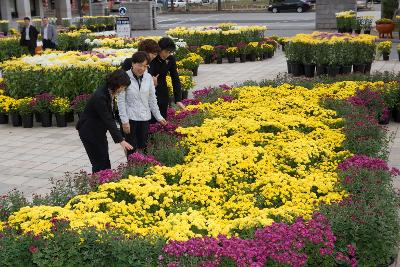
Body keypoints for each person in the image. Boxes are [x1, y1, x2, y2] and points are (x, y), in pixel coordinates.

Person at [76, 69, 133, 173]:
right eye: (123, 87)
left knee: (104, 161)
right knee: (99, 162)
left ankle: (104, 184)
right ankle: (99, 186)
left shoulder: (108, 92)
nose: (123, 90)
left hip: (98, 131)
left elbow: (110, 117)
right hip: (89, 131)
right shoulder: (100, 97)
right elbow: (108, 119)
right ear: (117, 84)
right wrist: (121, 140)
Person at [118, 51, 167, 156]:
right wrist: (124, 121)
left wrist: (159, 117)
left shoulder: (148, 77)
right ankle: (132, 170)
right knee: (131, 149)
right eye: (139, 65)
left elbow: (152, 99)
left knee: (144, 147)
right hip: (130, 119)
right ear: (133, 63)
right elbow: (121, 101)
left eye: (145, 66)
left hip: (145, 118)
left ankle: (143, 170)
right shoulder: (124, 77)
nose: (142, 69)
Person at [148, 37, 185, 120]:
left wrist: (178, 99)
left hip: (162, 91)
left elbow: (175, 78)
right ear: (159, 49)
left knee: (162, 118)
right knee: (151, 120)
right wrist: (151, 79)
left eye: (170, 52)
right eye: (166, 52)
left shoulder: (170, 59)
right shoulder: (152, 58)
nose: (167, 55)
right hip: (149, 91)